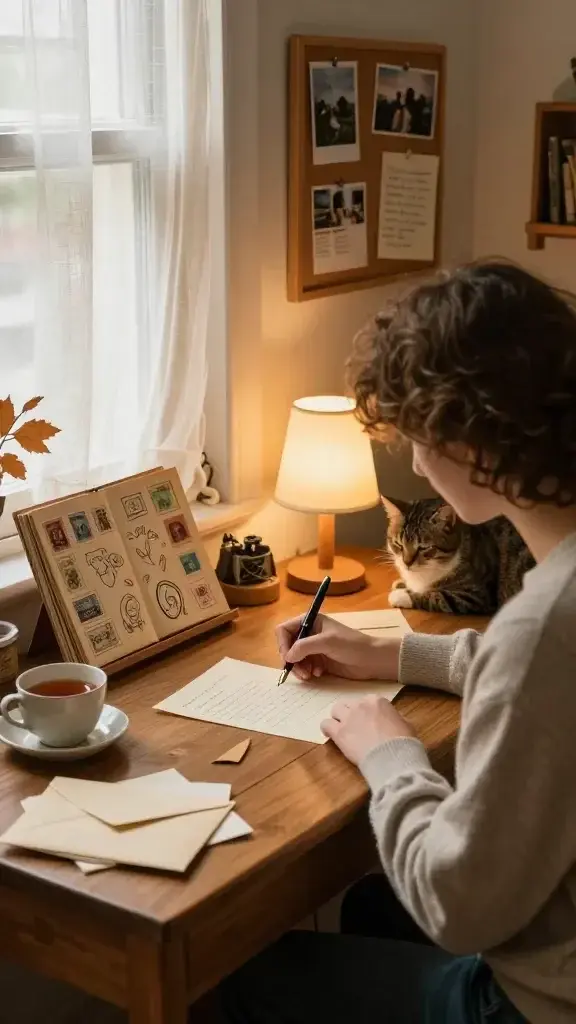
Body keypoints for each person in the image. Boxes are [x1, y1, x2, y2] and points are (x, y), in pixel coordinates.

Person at [220, 261, 576, 1024]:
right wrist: (393, 654)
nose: (414, 463)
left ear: (475, 438)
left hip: (537, 1004)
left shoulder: (542, 625)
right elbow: (545, 677)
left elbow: (456, 906)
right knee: (377, 904)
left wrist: (391, 751)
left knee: (248, 970)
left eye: (419, 438)